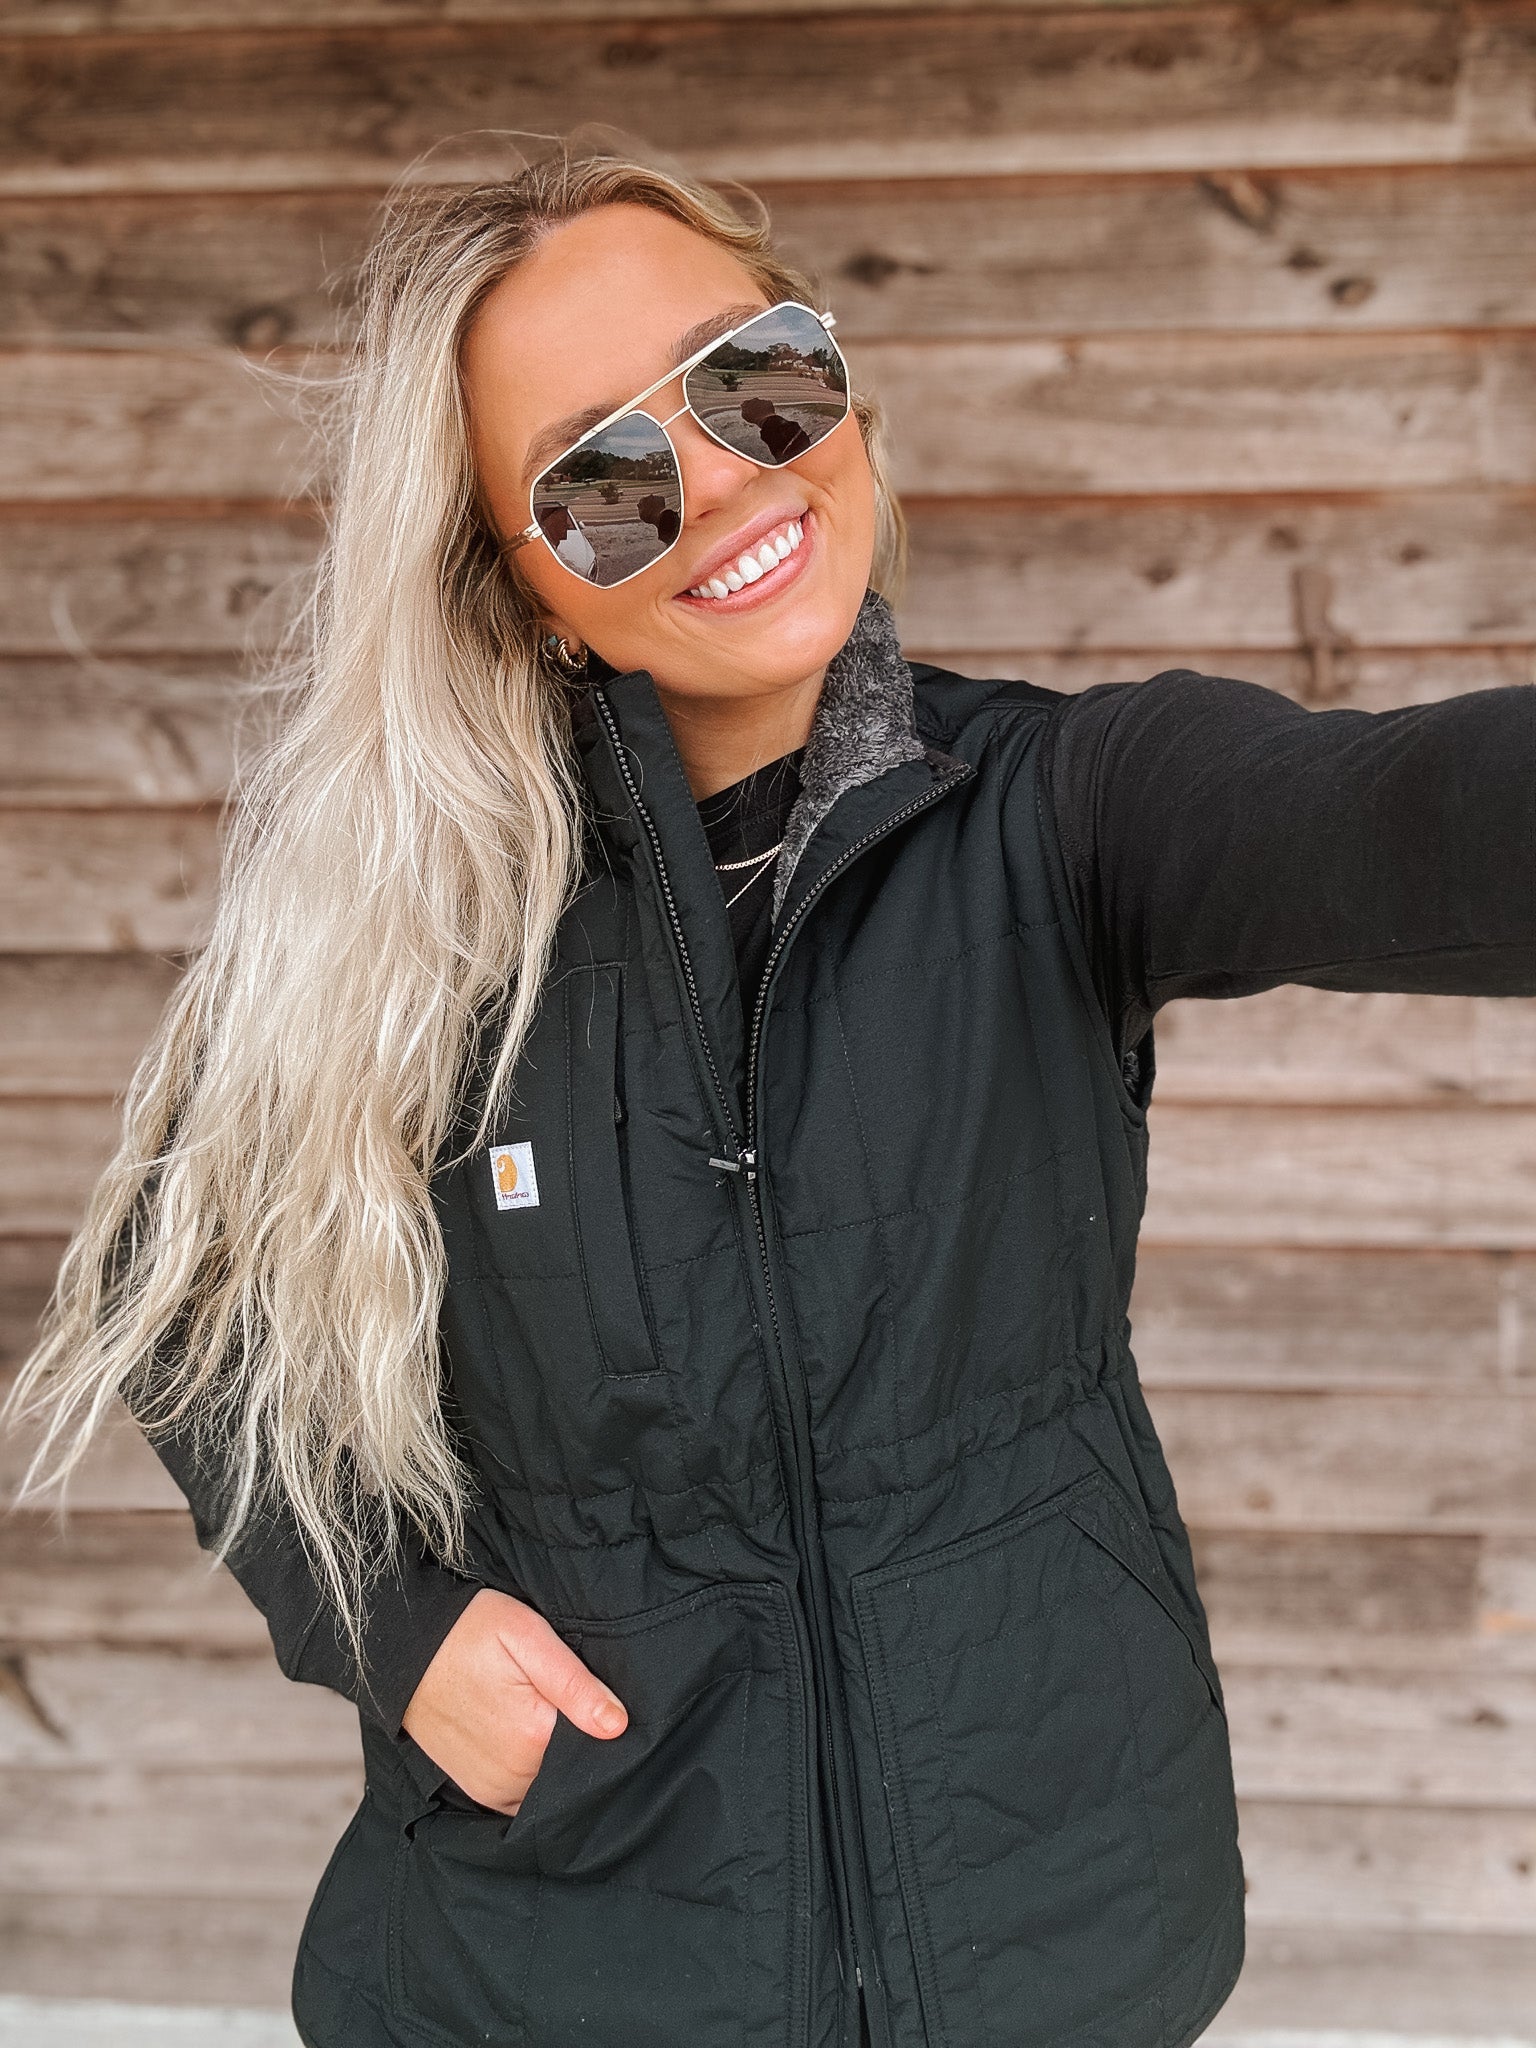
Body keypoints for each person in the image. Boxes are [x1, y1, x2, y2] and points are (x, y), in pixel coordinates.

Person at [4, 143, 1531, 2048]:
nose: (726, 476)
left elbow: (1401, 815)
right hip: (561, 1969)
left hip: (1052, 1929)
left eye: (755, 377)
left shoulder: (1063, 815)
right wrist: (393, 1629)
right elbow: (180, 1302)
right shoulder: (401, 935)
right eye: (604, 479)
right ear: (525, 588)